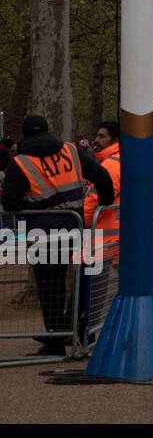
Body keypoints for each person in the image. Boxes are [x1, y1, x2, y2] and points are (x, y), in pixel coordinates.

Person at [2, 114, 115, 356]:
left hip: (43, 233)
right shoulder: (70, 151)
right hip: (74, 226)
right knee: (76, 278)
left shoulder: (20, 163)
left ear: (24, 135)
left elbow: (10, 203)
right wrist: (103, 204)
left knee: (48, 285)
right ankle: (71, 329)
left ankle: (56, 337)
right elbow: (102, 177)